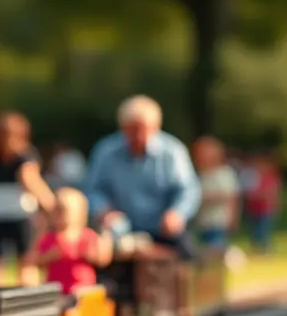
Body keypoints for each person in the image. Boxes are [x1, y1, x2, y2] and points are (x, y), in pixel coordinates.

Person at [84, 95, 201, 260]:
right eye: (131, 130)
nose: (137, 136)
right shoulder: (106, 152)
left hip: (163, 230)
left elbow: (188, 189)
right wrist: (104, 210)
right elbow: (93, 189)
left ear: (155, 127)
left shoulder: (172, 152)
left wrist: (176, 213)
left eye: (142, 129)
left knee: (188, 258)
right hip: (120, 233)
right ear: (122, 128)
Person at [0, 112, 57, 285]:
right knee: (26, 260)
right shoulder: (24, 154)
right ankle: (28, 299)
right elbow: (30, 180)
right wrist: (50, 203)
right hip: (20, 211)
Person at [29, 187, 112, 294]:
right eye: (59, 211)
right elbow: (33, 260)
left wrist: (92, 254)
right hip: (57, 290)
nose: (62, 216)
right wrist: (49, 256)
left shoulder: (87, 236)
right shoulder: (50, 238)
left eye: (65, 211)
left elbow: (104, 259)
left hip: (83, 290)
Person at [191, 136, 239, 250]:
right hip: (202, 222)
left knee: (215, 248)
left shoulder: (224, 174)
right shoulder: (199, 175)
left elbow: (232, 197)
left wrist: (233, 219)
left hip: (218, 221)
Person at [241, 152, 281, 254]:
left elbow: (270, 195)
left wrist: (258, 196)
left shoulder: (270, 179)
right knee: (254, 231)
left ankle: (265, 249)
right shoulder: (253, 178)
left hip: (265, 211)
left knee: (263, 231)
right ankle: (255, 249)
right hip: (254, 210)